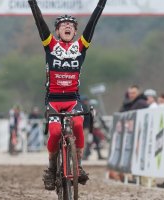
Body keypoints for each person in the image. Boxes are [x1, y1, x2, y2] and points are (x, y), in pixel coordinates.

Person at [28, 0, 107, 190]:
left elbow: (92, 24)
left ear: (75, 31)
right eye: (63, 25)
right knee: (55, 132)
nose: (67, 27)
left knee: (79, 124)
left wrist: (101, 5)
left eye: (71, 25)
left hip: (73, 100)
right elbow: (39, 22)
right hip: (54, 101)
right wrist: (32, 4)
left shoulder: (80, 46)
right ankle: (51, 168)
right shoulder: (50, 44)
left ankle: (78, 165)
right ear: (56, 31)